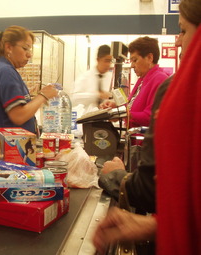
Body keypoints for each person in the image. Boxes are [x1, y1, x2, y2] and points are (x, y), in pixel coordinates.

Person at [93, 0, 201, 253]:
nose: (177, 40)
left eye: (183, 31)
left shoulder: (169, 83)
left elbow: (147, 115)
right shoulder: (145, 81)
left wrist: (118, 176)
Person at [0, 26, 58, 151]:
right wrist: (43, 96)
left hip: (8, 151)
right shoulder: (5, 71)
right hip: (8, 154)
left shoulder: (3, 69)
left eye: (30, 49)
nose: (29, 54)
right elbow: (18, 116)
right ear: (8, 47)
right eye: (25, 48)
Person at [101, 37, 168, 128]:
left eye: (135, 60)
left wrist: (121, 114)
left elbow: (150, 116)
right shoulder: (142, 80)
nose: (132, 66)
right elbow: (131, 107)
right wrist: (116, 106)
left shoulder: (160, 79)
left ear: (149, 58)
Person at [71, 45, 113, 116]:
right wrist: (97, 95)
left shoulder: (111, 78)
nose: (108, 64)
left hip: (105, 118)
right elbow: (74, 98)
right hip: (85, 119)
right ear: (98, 60)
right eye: (106, 61)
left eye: (110, 61)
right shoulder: (84, 77)